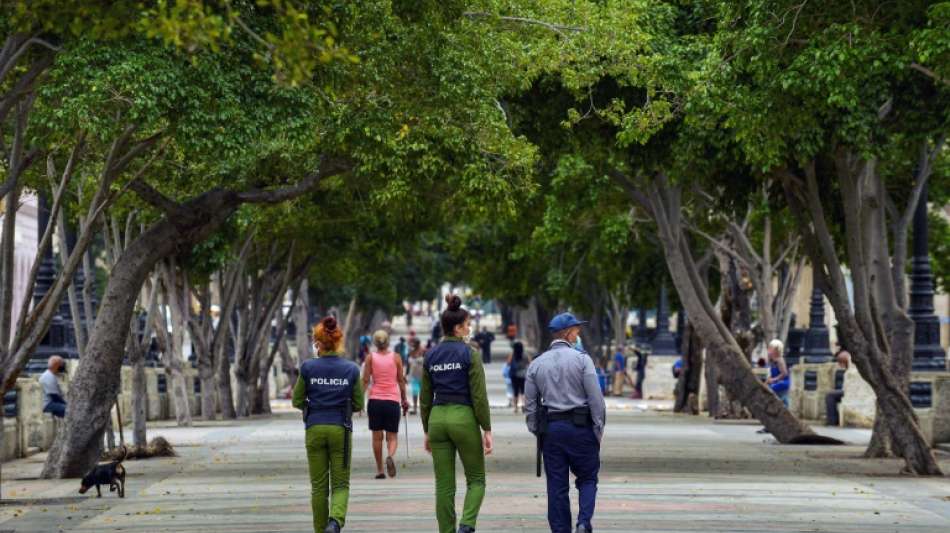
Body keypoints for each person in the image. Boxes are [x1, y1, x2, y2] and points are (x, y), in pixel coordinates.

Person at [525, 313, 606, 533]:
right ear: (569, 333)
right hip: (582, 428)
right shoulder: (582, 360)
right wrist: (598, 429)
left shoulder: (536, 364)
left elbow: (530, 405)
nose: (578, 335)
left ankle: (561, 530)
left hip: (552, 430)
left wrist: (538, 431)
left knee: (556, 486)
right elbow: (596, 399)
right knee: (588, 478)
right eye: (577, 331)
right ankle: (583, 522)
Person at [421, 294, 492, 533]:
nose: (470, 328)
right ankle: (467, 525)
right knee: (477, 480)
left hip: (437, 418)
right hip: (463, 418)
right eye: (467, 324)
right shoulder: (470, 354)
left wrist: (427, 430)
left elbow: (424, 398)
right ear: (458, 328)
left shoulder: (430, 355)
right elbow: (479, 396)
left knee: (443, 485)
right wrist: (486, 428)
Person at [292, 317, 364, 533]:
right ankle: (335, 522)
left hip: (314, 428)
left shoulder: (308, 368)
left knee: (318, 487)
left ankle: (320, 529)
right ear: (338, 341)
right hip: (340, 429)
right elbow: (359, 403)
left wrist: (313, 406)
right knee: (340, 484)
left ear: (318, 343)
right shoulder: (351, 369)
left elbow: (296, 400)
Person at [362, 329, 409, 479]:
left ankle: (380, 470)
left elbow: (365, 380)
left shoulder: (370, 358)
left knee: (377, 438)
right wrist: (404, 399)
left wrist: (359, 400)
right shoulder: (396, 357)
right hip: (392, 401)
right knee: (392, 436)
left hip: (375, 401)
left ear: (375, 343)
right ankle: (390, 456)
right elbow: (400, 380)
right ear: (388, 342)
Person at [825, 343, 851, 426]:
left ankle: (832, 421)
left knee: (829, 395)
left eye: (840, 363)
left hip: (849, 392)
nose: (839, 365)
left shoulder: (850, 369)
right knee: (830, 394)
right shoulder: (847, 369)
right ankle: (833, 420)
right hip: (847, 391)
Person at [507, 342, 530, 413]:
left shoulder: (512, 355)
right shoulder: (525, 354)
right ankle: (523, 405)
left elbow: (508, 363)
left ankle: (516, 408)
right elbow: (529, 362)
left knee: (515, 391)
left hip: (514, 375)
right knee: (523, 391)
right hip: (523, 375)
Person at [766, 339, 791, 406]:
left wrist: (774, 380)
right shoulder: (771, 360)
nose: (769, 350)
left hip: (782, 382)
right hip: (775, 382)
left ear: (776, 350)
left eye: (771, 348)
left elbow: (784, 373)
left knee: (771, 389)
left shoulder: (780, 360)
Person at [408, 338, 425, 415]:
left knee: (422, 394)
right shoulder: (411, 352)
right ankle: (415, 408)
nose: (413, 345)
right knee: (415, 392)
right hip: (414, 375)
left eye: (414, 343)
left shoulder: (423, 351)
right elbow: (408, 364)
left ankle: (423, 409)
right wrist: (406, 374)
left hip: (422, 376)